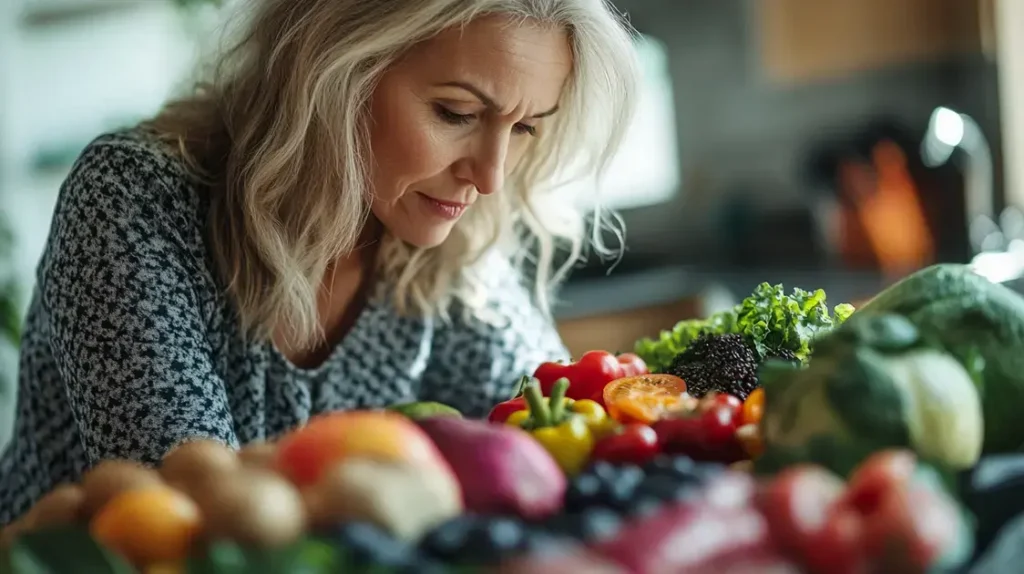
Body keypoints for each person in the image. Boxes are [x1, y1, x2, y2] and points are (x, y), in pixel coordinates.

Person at [0, 0, 638, 525]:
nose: (492, 177)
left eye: (526, 127)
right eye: (457, 113)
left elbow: (560, 431)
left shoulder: (450, 241)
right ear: (335, 72)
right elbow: (194, 520)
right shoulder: (133, 196)